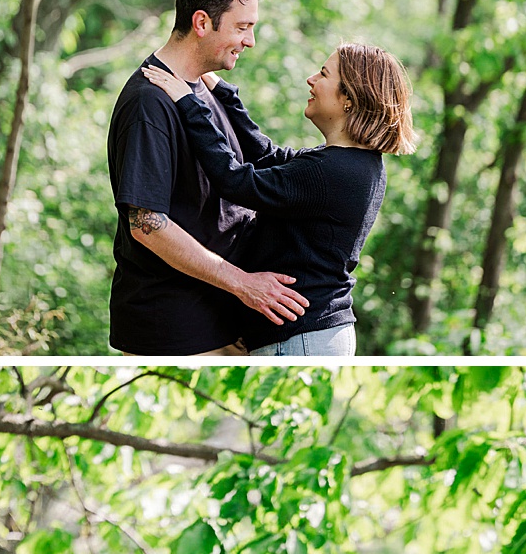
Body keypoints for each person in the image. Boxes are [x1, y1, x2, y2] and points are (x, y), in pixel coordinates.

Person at [139, 45, 418, 356]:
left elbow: (234, 180)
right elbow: (268, 157)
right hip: (310, 336)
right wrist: (220, 90)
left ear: (349, 99)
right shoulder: (353, 164)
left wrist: (188, 103)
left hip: (302, 337)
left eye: (324, 74)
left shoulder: (334, 172)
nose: (311, 80)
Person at [106, 0, 309, 356]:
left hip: (224, 321)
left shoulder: (198, 87)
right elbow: (146, 225)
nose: (250, 40)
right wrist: (242, 282)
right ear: (202, 22)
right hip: (177, 333)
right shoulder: (150, 103)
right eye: (242, 27)